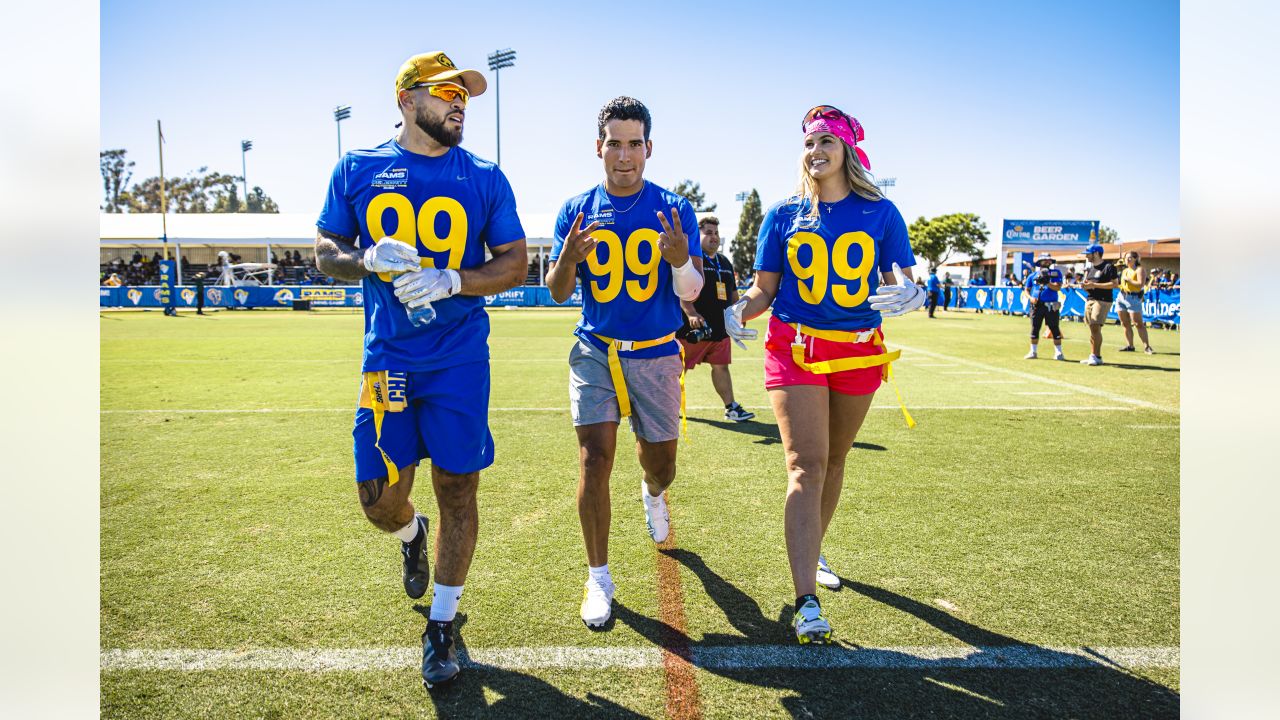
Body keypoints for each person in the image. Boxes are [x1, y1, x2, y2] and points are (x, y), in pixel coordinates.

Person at [313, 50, 527, 689]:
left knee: (460, 487)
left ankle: (442, 621)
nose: (460, 103)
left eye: (465, 94)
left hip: (460, 359)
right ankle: (411, 533)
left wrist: (452, 279)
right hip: (389, 358)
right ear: (407, 100)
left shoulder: (485, 176)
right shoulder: (358, 168)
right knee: (377, 499)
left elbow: (514, 264)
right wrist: (365, 259)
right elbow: (326, 251)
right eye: (446, 93)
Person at [723, 104, 923, 644]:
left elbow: (902, 279)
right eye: (808, 143)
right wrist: (737, 310)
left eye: (825, 142)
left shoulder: (881, 211)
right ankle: (805, 598)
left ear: (847, 151)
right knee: (805, 465)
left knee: (835, 459)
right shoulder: (784, 214)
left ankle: (815, 549)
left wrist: (914, 292)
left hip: (858, 349)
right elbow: (764, 289)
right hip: (796, 347)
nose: (815, 152)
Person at [545, 96, 704, 630]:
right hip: (596, 350)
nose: (624, 154)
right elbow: (559, 291)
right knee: (594, 459)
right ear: (599, 147)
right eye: (615, 142)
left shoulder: (674, 207)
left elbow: (694, 290)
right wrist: (569, 257)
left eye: (635, 143)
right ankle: (599, 576)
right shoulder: (577, 209)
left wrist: (680, 258)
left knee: (661, 465)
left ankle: (653, 493)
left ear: (649, 148)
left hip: (657, 353)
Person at [678, 216, 754, 423]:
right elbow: (679, 290)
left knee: (721, 367)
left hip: (720, 330)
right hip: (692, 329)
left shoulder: (724, 262)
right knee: (676, 370)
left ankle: (731, 408)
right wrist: (691, 313)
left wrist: (739, 315)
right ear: (698, 235)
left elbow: (732, 294)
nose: (714, 238)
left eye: (716, 233)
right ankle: (662, 405)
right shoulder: (691, 260)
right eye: (708, 233)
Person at [1079, 244, 1119, 366]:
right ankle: (1094, 355)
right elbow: (1090, 286)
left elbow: (1114, 284)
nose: (1086, 256)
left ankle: (1096, 356)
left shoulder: (1109, 267)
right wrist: (1085, 287)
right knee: (1092, 328)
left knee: (1095, 326)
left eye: (1088, 253)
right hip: (1090, 299)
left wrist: (1094, 285)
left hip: (1103, 300)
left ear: (1096, 253)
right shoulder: (1090, 269)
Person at [1022, 253, 1065, 360]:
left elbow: (1058, 288)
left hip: (1051, 305)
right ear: (1040, 262)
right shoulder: (1033, 275)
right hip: (1037, 305)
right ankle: (1033, 351)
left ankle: (1058, 352)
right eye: (1044, 260)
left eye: (1048, 260)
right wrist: (1030, 298)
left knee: (1054, 328)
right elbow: (1026, 290)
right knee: (1035, 328)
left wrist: (1047, 282)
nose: (1047, 262)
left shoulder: (1055, 273)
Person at [1116, 251, 1154, 354]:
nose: (1127, 260)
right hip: (1121, 296)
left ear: (1136, 259)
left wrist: (1129, 280)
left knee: (1138, 324)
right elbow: (1121, 284)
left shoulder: (1139, 269)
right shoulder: (1125, 270)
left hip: (1133, 298)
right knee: (1124, 323)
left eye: (1130, 258)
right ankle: (1130, 345)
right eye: (1126, 258)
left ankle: (1147, 346)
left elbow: (1140, 284)